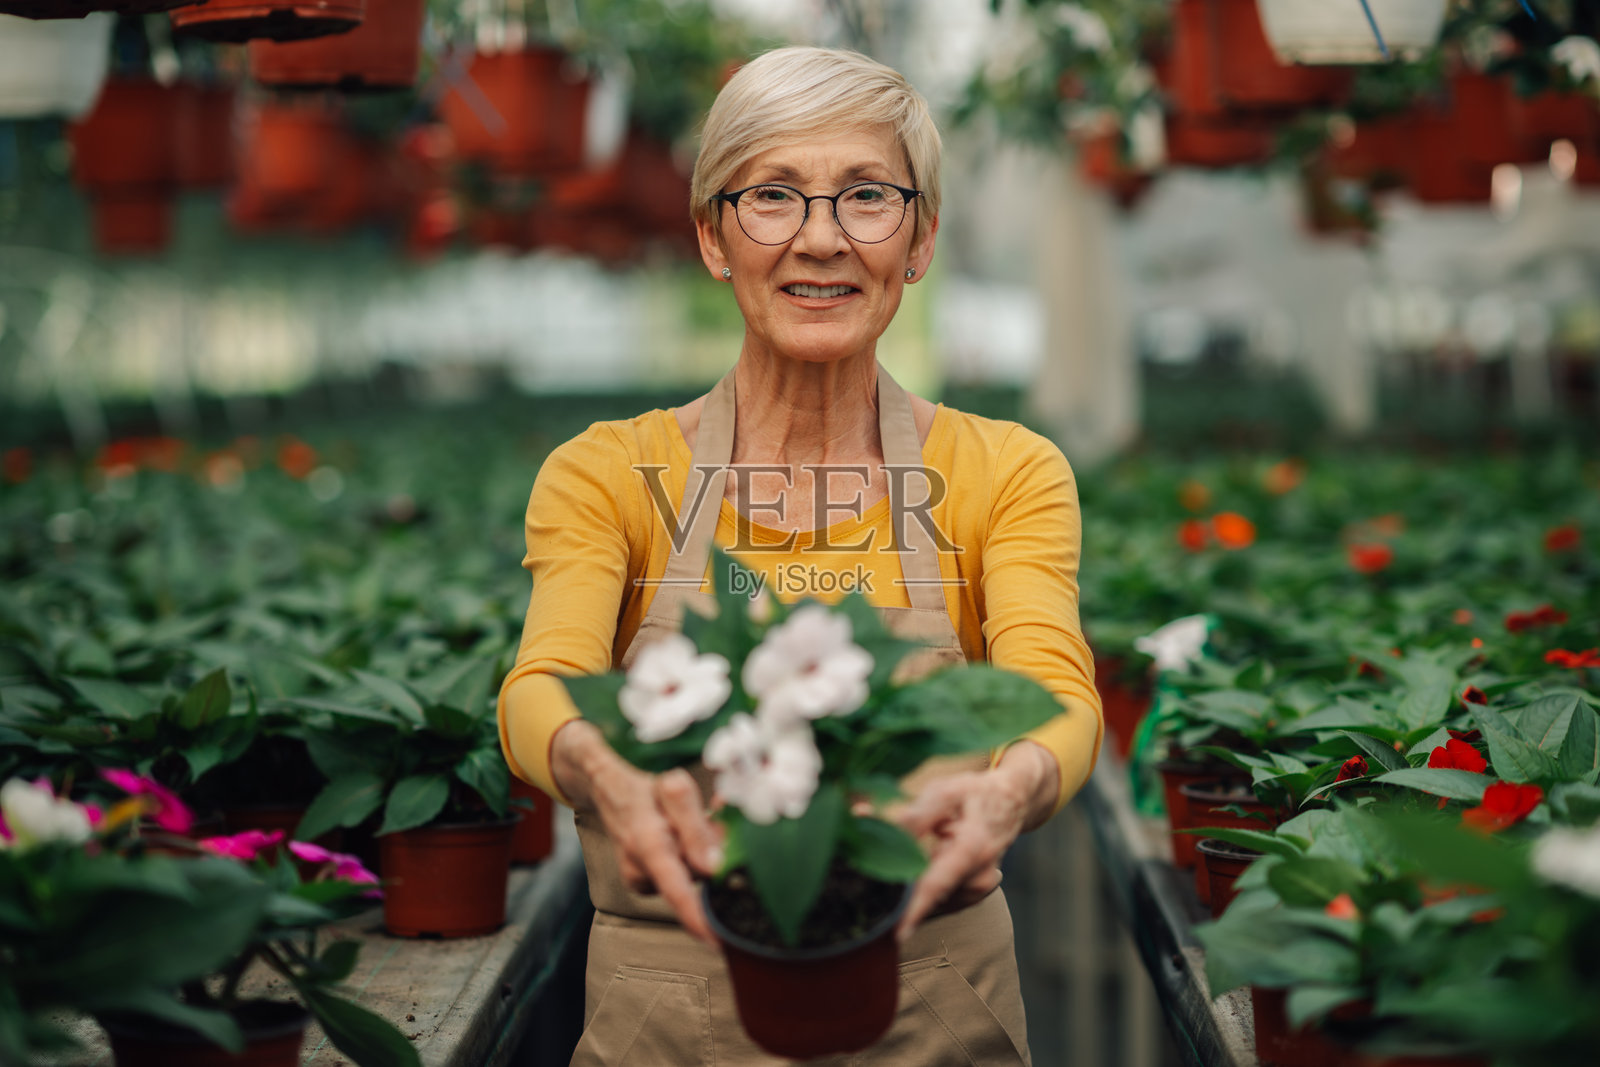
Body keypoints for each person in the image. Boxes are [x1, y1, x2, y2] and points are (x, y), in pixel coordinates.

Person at [497, 45, 1102, 1065]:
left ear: (919, 240)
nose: (820, 240)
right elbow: (539, 685)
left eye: (867, 196)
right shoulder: (609, 472)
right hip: (666, 1010)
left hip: (937, 1000)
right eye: (772, 195)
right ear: (711, 236)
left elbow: (1057, 691)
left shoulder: (1002, 468)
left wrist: (1007, 789)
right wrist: (603, 771)